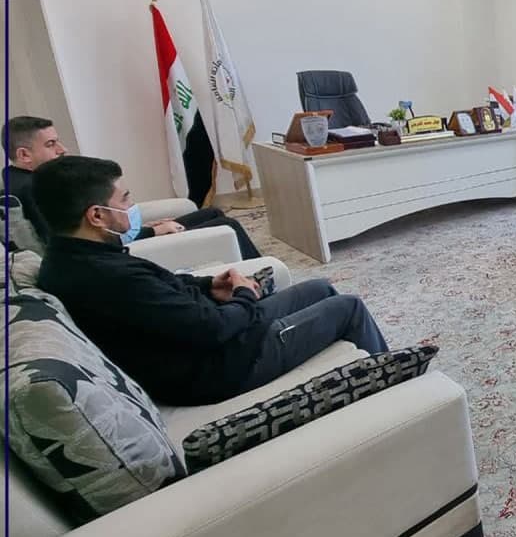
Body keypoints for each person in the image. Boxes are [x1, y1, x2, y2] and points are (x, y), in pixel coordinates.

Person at [33, 156, 388, 406]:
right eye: (125, 199)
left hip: (210, 342)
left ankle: (365, 374)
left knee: (319, 288)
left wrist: (206, 286)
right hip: (221, 367)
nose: (132, 205)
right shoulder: (107, 277)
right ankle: (395, 389)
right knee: (348, 308)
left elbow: (161, 297)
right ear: (97, 215)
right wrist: (244, 296)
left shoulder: (75, 258)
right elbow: (213, 329)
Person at [4, 115, 262, 258]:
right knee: (227, 224)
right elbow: (80, 242)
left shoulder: (23, 180)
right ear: (24, 154)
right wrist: (152, 232)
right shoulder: (34, 190)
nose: (63, 149)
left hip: (118, 235)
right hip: (118, 251)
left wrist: (141, 225)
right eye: (51, 145)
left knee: (213, 212)